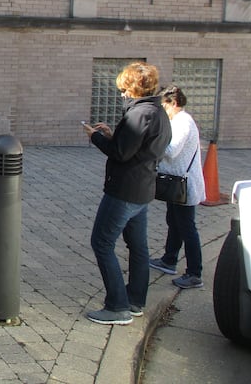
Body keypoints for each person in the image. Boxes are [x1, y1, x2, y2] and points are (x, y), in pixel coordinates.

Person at [82, 62, 171, 325]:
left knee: (102, 242)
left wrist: (96, 138)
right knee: (138, 246)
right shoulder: (158, 111)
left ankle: (117, 306)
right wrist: (112, 135)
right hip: (143, 189)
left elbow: (121, 153)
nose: (122, 94)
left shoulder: (139, 114)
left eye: (124, 89)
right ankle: (134, 301)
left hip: (124, 190)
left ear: (133, 88)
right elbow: (133, 146)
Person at [148, 85, 205, 289]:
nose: (162, 111)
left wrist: (153, 139)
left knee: (187, 227)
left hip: (185, 185)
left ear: (173, 103)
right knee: (174, 221)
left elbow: (171, 151)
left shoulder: (183, 122)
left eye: (163, 106)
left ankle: (194, 273)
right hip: (177, 183)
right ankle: (169, 259)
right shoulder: (177, 121)